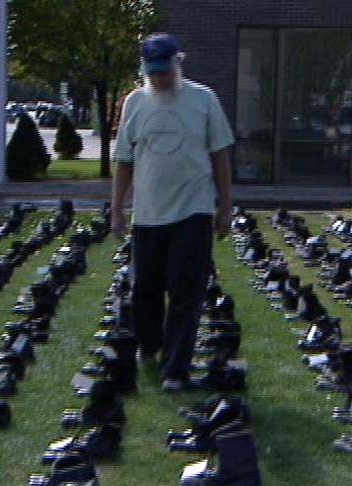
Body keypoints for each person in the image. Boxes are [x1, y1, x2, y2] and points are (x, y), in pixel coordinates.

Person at [111, 32, 234, 391]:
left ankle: (175, 370)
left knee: (185, 292)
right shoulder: (135, 103)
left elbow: (220, 156)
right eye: (153, 74)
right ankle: (150, 347)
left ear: (178, 64)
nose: (160, 79)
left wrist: (225, 206)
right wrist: (117, 208)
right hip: (148, 214)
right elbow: (124, 160)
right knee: (144, 292)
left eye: (165, 72)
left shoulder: (204, 99)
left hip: (193, 210)